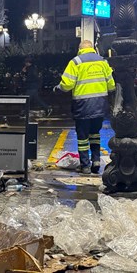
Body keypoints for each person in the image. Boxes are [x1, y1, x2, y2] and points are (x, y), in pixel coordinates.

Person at [53, 40, 115, 174]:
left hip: (82, 106)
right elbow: (111, 85)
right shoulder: (103, 62)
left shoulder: (75, 62)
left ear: (79, 49)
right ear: (92, 48)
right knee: (95, 134)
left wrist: (58, 88)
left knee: (82, 137)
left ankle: (85, 166)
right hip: (100, 105)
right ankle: (96, 162)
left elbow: (67, 85)